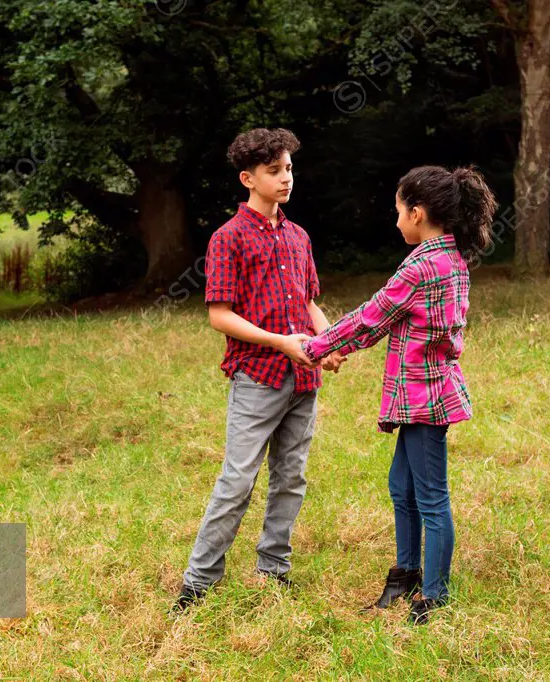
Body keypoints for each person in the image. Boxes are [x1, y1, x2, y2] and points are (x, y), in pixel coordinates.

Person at [302, 165, 497, 624]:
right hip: (421, 394)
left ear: (417, 212)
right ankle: (406, 574)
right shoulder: (450, 258)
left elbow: (372, 317)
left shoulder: (424, 265)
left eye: (398, 212)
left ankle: (434, 596)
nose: (395, 222)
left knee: (431, 497)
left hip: (425, 398)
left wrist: (314, 348)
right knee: (402, 487)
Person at [173, 128, 346, 611]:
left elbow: (310, 303)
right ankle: (198, 583)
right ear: (249, 178)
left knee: (291, 478)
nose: (286, 178)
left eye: (289, 168)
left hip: (304, 378)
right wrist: (281, 344)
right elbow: (219, 315)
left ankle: (274, 570)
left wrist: (329, 342)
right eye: (274, 171)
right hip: (258, 377)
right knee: (238, 480)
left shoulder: (298, 236)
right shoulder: (227, 239)